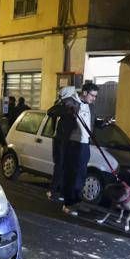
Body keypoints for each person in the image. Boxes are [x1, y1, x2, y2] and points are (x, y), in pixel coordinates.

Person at [48, 83, 100, 216]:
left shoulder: (91, 107)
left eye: (95, 96)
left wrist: (102, 123)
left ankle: (77, 201)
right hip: (72, 144)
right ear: (84, 92)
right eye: (92, 95)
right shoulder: (70, 101)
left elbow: (90, 122)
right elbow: (51, 111)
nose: (94, 98)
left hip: (84, 144)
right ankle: (68, 203)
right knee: (70, 174)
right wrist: (68, 110)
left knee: (81, 175)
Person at [46, 86, 78, 201]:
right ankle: (53, 190)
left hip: (71, 140)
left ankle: (62, 191)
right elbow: (50, 112)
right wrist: (64, 106)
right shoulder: (62, 106)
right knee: (59, 165)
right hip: (60, 139)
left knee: (66, 166)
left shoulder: (76, 106)